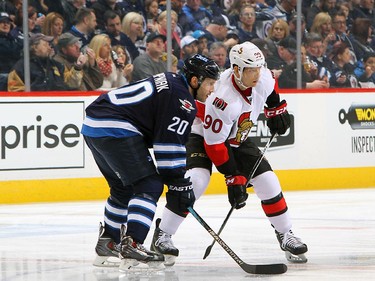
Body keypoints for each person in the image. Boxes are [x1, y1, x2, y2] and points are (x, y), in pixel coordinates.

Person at [151, 41, 308, 266]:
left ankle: (286, 234)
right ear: (236, 70)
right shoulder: (223, 98)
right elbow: (215, 146)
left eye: (259, 67)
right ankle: (163, 234)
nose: (257, 74)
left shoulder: (263, 76)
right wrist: (233, 177)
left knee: (269, 182)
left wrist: (276, 108)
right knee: (197, 181)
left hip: (236, 137)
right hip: (201, 135)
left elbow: (271, 87)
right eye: (250, 69)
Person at [81, 54, 220, 270]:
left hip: (93, 124)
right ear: (195, 81)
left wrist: (176, 180)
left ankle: (109, 242)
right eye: (210, 83)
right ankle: (133, 244)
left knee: (122, 188)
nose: (212, 90)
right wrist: (178, 182)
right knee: (149, 185)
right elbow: (167, 149)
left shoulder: (172, 81)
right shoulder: (183, 101)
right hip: (116, 127)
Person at [8, 33, 72, 91]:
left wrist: (78, 68)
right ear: (35, 47)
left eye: (49, 45)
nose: (49, 48)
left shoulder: (56, 64)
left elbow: (71, 83)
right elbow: (14, 90)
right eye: (45, 45)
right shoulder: (21, 67)